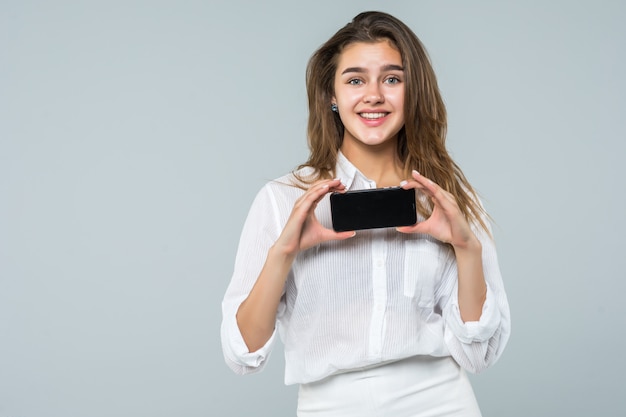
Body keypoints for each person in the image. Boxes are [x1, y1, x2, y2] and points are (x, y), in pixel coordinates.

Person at [221, 11, 510, 417]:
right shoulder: (282, 200)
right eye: (355, 80)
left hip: (441, 404)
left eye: (392, 79)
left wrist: (466, 247)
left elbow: (479, 355)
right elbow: (243, 354)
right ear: (331, 96)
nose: (373, 95)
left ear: (413, 92)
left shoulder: (449, 199)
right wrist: (282, 253)